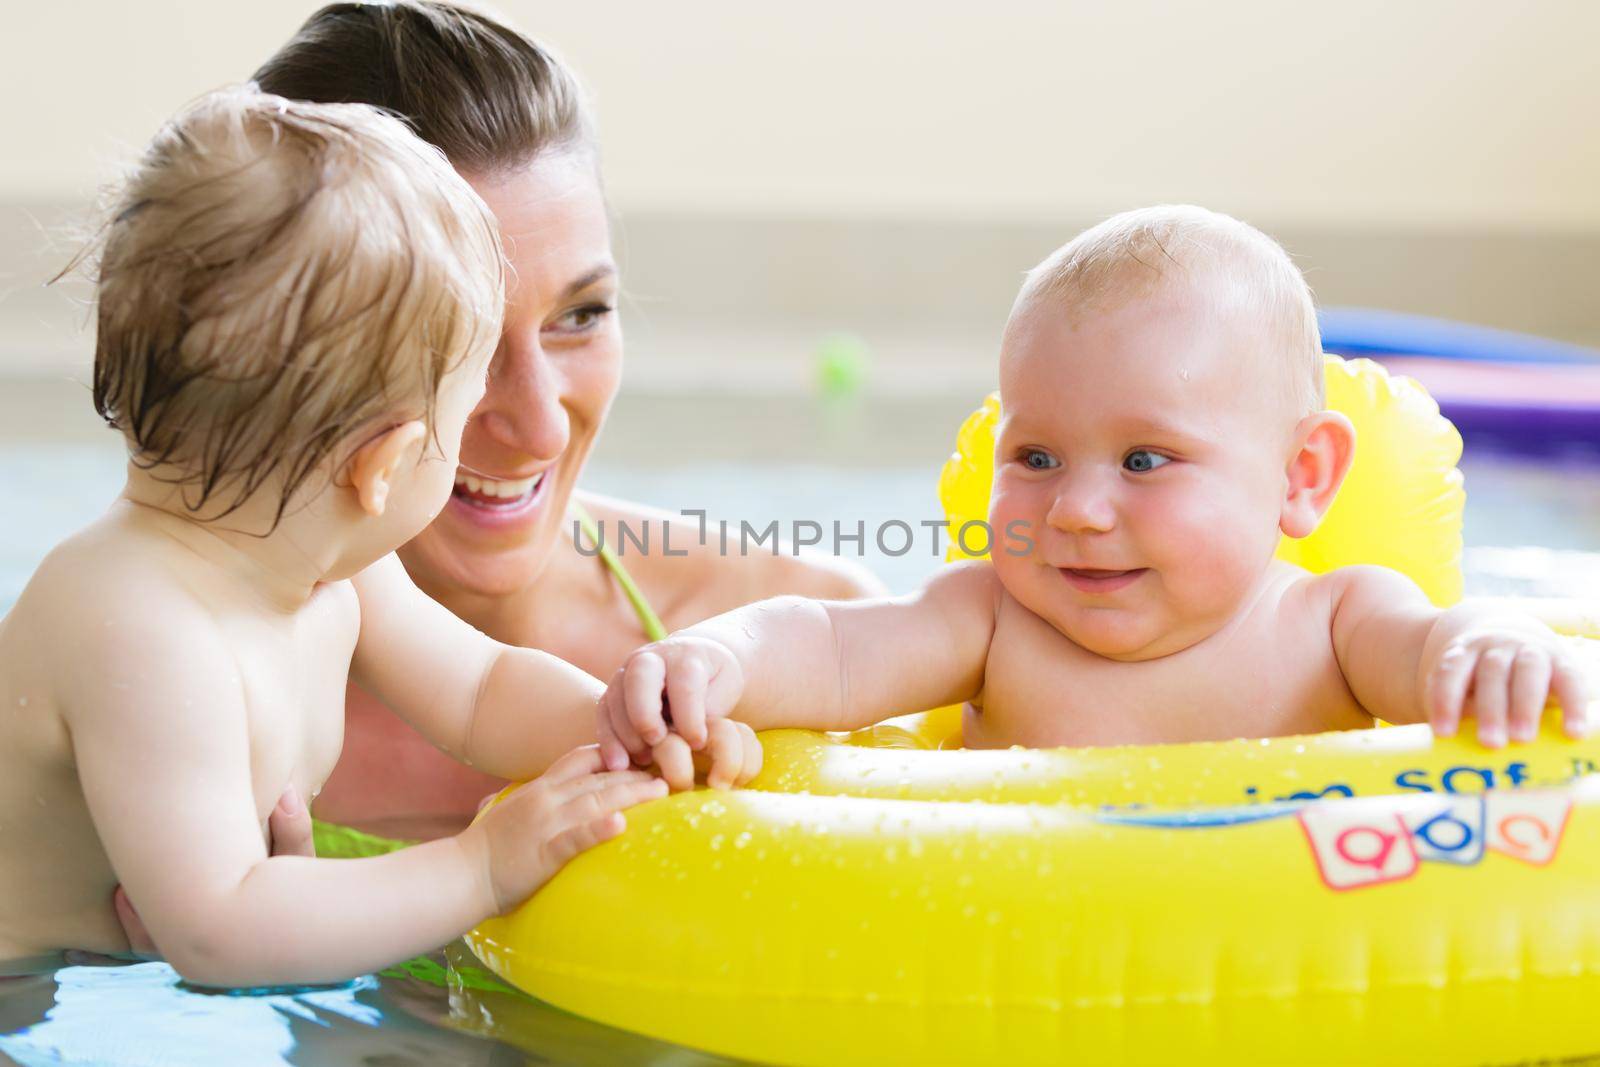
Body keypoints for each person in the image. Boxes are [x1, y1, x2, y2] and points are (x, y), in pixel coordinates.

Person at [0, 89, 743, 984]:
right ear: (383, 465)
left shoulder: (326, 573)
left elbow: (478, 691)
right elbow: (218, 929)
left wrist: (626, 727)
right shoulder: (142, 627)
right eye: (466, 410)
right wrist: (481, 865)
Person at [595, 205, 1593, 765]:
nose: (1073, 508)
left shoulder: (1337, 623)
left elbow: (1433, 652)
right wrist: (718, 655)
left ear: (1301, 476)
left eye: (1144, 459)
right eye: (1033, 458)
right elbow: (832, 645)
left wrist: (1492, 644)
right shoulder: (992, 620)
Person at [248, 0, 880, 843]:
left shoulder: (813, 638)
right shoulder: (172, 690)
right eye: (451, 339)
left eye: (580, 315)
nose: (539, 426)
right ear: (284, 343)